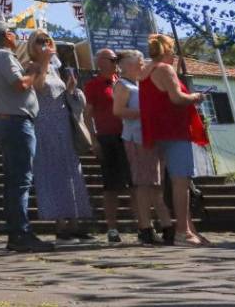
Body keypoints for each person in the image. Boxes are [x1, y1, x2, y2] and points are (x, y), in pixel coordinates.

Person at [0, 22, 54, 253]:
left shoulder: (0, 56)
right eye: (12, 32)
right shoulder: (3, 55)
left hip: (13, 122)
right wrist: (37, 67)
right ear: (7, 35)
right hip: (16, 123)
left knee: (15, 181)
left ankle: (18, 231)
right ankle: (20, 233)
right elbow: (20, 84)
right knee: (20, 182)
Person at [140, 34, 209, 247]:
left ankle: (190, 230)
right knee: (181, 182)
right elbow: (177, 98)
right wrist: (197, 96)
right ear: (168, 50)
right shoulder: (165, 69)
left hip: (157, 131)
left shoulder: (145, 71)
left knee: (175, 183)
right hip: (174, 130)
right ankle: (183, 231)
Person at [26, 31, 93, 244]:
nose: (45, 44)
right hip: (45, 124)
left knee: (71, 172)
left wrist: (71, 88)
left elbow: (60, 93)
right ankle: (60, 225)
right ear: (32, 45)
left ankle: (74, 223)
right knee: (52, 172)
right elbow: (36, 88)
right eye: (39, 41)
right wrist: (44, 62)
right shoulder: (32, 66)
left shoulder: (55, 68)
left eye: (47, 41)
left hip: (63, 124)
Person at [113, 49, 172, 246]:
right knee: (143, 183)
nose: (142, 65)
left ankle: (166, 225)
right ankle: (145, 227)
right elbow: (118, 110)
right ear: (128, 65)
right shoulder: (122, 85)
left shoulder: (140, 84)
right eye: (139, 62)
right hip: (136, 138)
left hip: (150, 137)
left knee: (156, 183)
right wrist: (145, 112)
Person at [83, 48, 132, 244]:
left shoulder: (123, 82)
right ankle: (112, 227)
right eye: (113, 59)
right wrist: (93, 140)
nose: (116, 62)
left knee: (134, 183)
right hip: (108, 137)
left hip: (128, 136)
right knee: (111, 185)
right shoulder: (94, 85)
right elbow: (87, 114)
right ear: (101, 62)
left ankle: (144, 225)